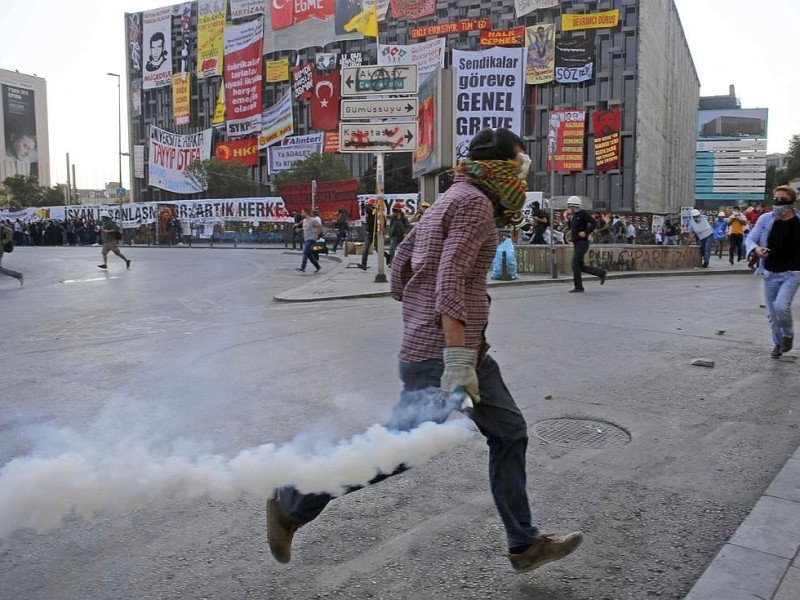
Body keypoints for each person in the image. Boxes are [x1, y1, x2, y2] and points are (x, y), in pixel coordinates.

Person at [266, 127, 584, 573]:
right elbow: (451, 276)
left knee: (509, 432)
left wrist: (427, 318)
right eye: (519, 164)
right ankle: (292, 500)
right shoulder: (474, 205)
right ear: (499, 165)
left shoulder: (450, 200)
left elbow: (400, 272)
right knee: (399, 448)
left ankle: (524, 543)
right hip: (447, 356)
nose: (521, 175)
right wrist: (454, 356)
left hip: (454, 350)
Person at [745, 186, 800, 359]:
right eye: (776, 199)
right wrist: (756, 249)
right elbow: (751, 238)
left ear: (792, 202)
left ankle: (788, 334)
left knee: (781, 306)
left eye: (783, 200)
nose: (779, 203)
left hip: (793, 272)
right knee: (772, 314)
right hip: (770, 272)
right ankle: (778, 343)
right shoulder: (765, 219)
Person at [567, 196, 607, 293]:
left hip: (582, 243)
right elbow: (572, 227)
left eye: (570, 206)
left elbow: (593, 223)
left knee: (574, 264)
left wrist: (586, 232)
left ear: (575, 205)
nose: (569, 208)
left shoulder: (582, 214)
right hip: (576, 243)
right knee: (580, 266)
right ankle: (601, 273)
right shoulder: (573, 216)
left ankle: (578, 287)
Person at [295, 208, 322, 273]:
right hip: (306, 239)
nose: (301, 214)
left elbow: (319, 226)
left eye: (302, 212)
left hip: (311, 238)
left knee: (304, 252)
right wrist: (299, 229)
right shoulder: (304, 220)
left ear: (305, 213)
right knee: (309, 255)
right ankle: (317, 266)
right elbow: (305, 228)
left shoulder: (313, 220)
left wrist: (316, 235)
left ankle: (302, 267)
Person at [385, 202, 410, 267]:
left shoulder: (404, 217)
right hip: (395, 235)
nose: (396, 212)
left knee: (404, 249)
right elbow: (390, 226)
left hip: (403, 235)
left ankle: (404, 262)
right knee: (392, 249)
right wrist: (389, 234)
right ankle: (391, 262)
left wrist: (406, 233)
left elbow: (408, 226)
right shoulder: (393, 217)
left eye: (397, 210)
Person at [0, 222, 24, 286]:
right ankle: (18, 275)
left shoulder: (4, 229)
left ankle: (18, 275)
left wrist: (2, 241)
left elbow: (9, 235)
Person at [359, 198, 378, 270]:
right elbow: (371, 212)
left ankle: (388, 257)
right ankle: (363, 264)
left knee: (379, 250)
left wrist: (376, 209)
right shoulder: (370, 210)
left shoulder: (375, 211)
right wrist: (375, 209)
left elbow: (374, 214)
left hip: (375, 233)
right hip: (369, 232)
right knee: (366, 248)